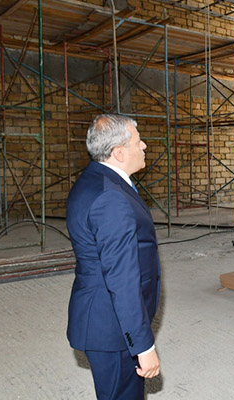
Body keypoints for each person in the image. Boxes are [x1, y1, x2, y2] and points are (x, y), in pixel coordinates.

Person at [66, 114, 161, 399]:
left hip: (105, 317)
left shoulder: (96, 180)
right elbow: (122, 278)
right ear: (119, 153)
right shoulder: (111, 198)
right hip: (112, 325)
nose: (144, 145)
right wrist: (143, 346)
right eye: (138, 141)